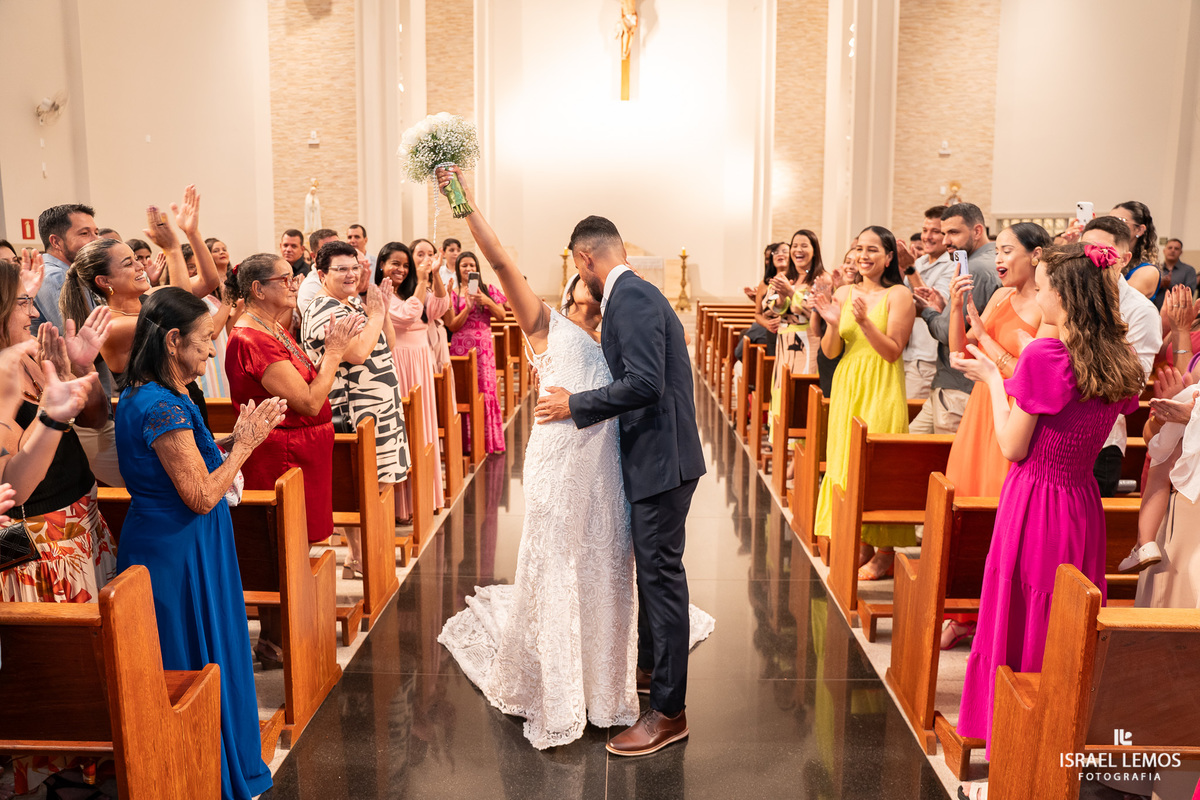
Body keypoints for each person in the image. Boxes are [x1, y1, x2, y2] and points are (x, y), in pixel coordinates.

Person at [438, 166, 711, 754]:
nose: (578, 282)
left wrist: (575, 403)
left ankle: (637, 688)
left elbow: (644, 384)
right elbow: (502, 263)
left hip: (615, 469)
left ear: (585, 261)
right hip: (564, 465)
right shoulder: (548, 324)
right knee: (568, 565)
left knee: (618, 571)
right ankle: (585, 683)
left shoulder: (624, 310)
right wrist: (465, 203)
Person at [952, 242, 1144, 798]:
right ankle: (1059, 737)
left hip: (1035, 499)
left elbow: (1013, 447)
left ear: (1068, 294)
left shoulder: (1045, 355)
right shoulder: (1117, 356)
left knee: (1019, 611)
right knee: (1063, 623)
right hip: (1082, 505)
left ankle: (1014, 748)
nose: (1041, 294)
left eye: (1048, 285)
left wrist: (990, 380)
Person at [113, 287, 283, 800]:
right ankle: (197, 762)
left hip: (187, 542)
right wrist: (247, 446)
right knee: (190, 656)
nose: (212, 351)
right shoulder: (160, 405)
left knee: (208, 647)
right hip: (176, 552)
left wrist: (231, 439)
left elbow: (193, 456)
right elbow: (202, 495)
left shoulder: (160, 392)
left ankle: (215, 750)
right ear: (172, 340)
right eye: (206, 341)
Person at [0, 258, 117, 796]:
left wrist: (77, 370)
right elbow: (13, 489)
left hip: (81, 519)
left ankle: (94, 758)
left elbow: (92, 419)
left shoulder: (29, 355)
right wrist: (48, 419)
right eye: (22, 302)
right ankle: (63, 771)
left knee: (97, 664)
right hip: (44, 540)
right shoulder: (2, 372)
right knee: (61, 675)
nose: (32, 310)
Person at [224, 253, 362, 665]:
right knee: (279, 546)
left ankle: (287, 634)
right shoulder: (251, 338)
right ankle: (276, 640)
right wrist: (335, 353)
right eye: (283, 279)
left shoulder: (273, 327)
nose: (293, 283)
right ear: (257, 289)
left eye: (292, 276)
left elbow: (305, 378)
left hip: (300, 450)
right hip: (279, 454)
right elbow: (307, 400)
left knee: (294, 545)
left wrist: (326, 358)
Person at [939, 222, 1051, 649]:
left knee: (998, 514)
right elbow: (961, 353)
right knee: (966, 509)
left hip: (1012, 419)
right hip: (980, 413)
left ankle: (993, 614)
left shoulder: (1048, 309)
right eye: (998, 250)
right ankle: (963, 612)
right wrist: (955, 307)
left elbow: (1034, 379)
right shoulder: (1002, 296)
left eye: (1008, 251)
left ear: (1036, 255)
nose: (999, 259)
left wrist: (988, 342)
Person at [811, 226, 916, 580]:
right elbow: (831, 352)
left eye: (873, 249)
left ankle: (885, 552)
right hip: (848, 385)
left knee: (877, 466)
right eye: (859, 248)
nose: (864, 255)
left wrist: (865, 322)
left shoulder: (899, 295)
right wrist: (832, 324)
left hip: (882, 386)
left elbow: (892, 351)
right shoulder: (843, 292)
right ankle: (862, 543)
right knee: (844, 460)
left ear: (889, 257)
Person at [301, 241, 410, 574]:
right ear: (321, 273)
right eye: (341, 269)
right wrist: (375, 313)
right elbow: (358, 353)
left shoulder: (349, 304)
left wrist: (382, 310)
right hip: (354, 410)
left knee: (378, 483)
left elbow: (385, 343)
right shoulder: (322, 309)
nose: (351, 275)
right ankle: (364, 559)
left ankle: (361, 556)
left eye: (354, 268)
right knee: (364, 487)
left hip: (378, 408)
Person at [1082, 215, 1161, 496]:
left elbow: (1133, 384)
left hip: (1100, 441)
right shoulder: (1069, 297)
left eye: (1102, 251)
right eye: (1085, 251)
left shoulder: (1140, 311)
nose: (1091, 259)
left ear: (1125, 258)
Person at [910, 202, 1001, 434]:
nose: (945, 241)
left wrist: (927, 312)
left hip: (959, 386)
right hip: (951, 384)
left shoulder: (976, 268)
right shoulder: (990, 262)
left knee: (943, 463)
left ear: (977, 231)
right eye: (944, 233)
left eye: (953, 233)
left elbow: (951, 333)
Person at [381, 241, 447, 518]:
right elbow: (408, 317)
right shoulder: (381, 296)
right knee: (405, 430)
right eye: (395, 263)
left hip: (421, 361)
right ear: (382, 265)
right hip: (400, 362)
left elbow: (440, 307)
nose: (401, 269)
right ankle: (401, 506)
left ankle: (425, 497)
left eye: (405, 265)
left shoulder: (413, 290)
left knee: (424, 427)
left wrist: (436, 275)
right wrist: (421, 279)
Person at [445, 250, 508, 454]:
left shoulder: (487, 289)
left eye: (472, 265)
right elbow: (452, 326)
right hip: (460, 346)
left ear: (477, 268)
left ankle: (487, 442)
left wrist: (486, 302)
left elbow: (501, 316)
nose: (469, 269)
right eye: (464, 266)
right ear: (458, 269)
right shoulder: (452, 293)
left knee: (485, 390)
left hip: (483, 349)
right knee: (464, 391)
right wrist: (467, 308)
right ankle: (466, 444)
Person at [766, 230, 823, 442]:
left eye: (804, 245)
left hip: (808, 343)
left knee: (800, 398)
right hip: (784, 344)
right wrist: (781, 297)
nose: (798, 250)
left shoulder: (821, 279)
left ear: (814, 250)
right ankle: (786, 453)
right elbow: (770, 310)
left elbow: (815, 313)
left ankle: (801, 454)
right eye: (795, 245)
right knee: (783, 393)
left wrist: (791, 294)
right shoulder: (787, 277)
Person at [902, 207, 954, 400]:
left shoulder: (953, 264)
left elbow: (934, 304)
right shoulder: (920, 261)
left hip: (927, 358)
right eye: (925, 230)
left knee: (912, 423)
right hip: (906, 353)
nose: (927, 237)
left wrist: (909, 269)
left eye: (935, 231)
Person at [33, 203, 99, 334]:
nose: (96, 240)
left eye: (96, 232)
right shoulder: (56, 276)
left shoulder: (71, 272)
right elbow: (81, 335)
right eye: (85, 233)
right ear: (56, 242)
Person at [734, 243, 787, 362]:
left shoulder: (798, 280)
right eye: (776, 253)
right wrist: (768, 324)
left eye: (784, 252)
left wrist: (784, 319)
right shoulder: (765, 283)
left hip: (789, 330)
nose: (780, 255)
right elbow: (759, 313)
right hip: (770, 330)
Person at [1109, 200, 1161, 305]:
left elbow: (1115, 301)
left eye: (1120, 221)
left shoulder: (1148, 271)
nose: (1111, 226)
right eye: (1109, 221)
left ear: (1139, 230)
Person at [412, 238, 452, 373]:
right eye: (420, 254)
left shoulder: (433, 282)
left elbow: (440, 308)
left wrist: (435, 273)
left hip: (437, 335)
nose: (427, 259)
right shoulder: (409, 286)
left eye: (430, 254)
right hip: (419, 341)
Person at [295, 228, 340, 315]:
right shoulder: (309, 288)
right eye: (329, 250)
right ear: (314, 256)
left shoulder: (348, 275)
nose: (337, 254)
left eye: (339, 247)